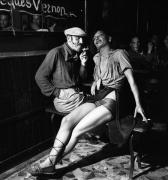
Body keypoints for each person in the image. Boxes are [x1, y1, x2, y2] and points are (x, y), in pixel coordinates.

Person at [30, 30, 147, 176]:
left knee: (78, 130)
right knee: (67, 120)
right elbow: (99, 76)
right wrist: (95, 81)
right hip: (98, 97)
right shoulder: (96, 57)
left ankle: (49, 163)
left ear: (109, 38)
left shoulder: (119, 53)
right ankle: (50, 163)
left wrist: (138, 104)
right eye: (94, 37)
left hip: (113, 98)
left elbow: (131, 80)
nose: (96, 38)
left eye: (100, 35)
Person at [35, 27, 88, 114]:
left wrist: (83, 64)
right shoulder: (56, 52)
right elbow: (39, 77)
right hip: (65, 100)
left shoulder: (76, 54)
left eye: (82, 38)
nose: (81, 42)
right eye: (77, 38)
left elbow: (82, 78)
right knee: (91, 109)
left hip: (77, 94)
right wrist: (58, 92)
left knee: (95, 107)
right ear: (68, 38)